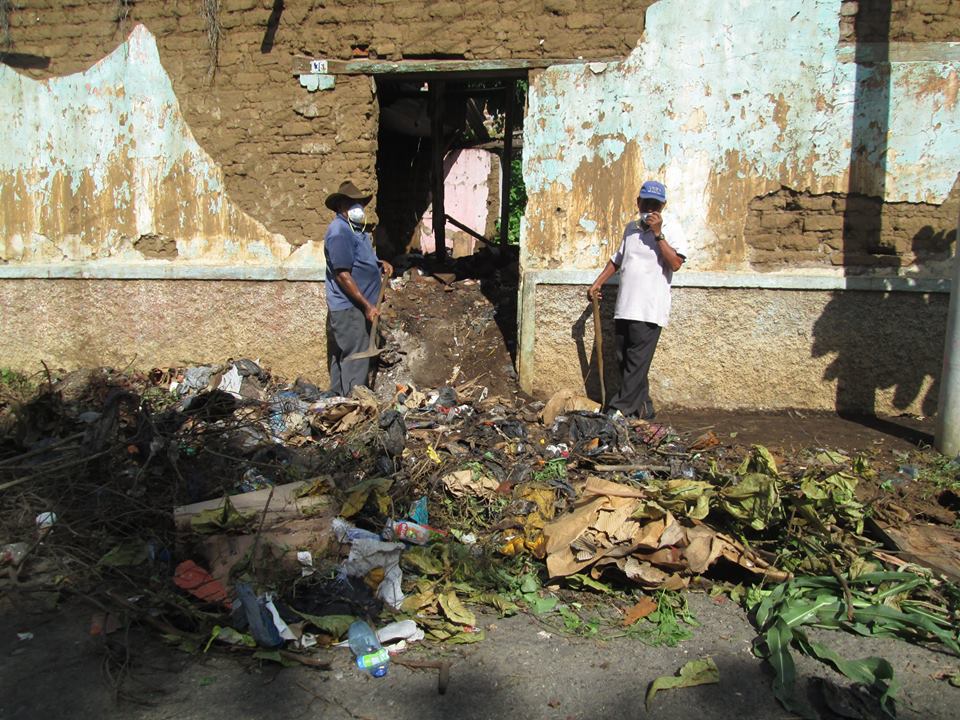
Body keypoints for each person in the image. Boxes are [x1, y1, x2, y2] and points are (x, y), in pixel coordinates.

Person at [587, 180, 688, 420]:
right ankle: (644, 408)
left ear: (663, 206)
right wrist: (598, 282)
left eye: (655, 204)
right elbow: (617, 259)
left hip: (650, 309)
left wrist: (658, 234)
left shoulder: (671, 228)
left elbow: (675, 263)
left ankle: (617, 410)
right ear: (638, 202)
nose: (650, 208)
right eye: (646, 203)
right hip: (625, 307)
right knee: (625, 361)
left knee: (636, 363)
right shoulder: (631, 228)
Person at [324, 180, 393, 396]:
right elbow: (343, 274)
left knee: (342, 355)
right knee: (356, 355)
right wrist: (366, 306)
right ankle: (354, 406)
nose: (358, 208)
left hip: (354, 307)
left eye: (360, 203)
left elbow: (359, 259)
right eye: (352, 203)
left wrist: (380, 264)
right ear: (340, 207)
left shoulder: (356, 230)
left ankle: (337, 402)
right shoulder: (339, 232)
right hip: (350, 307)